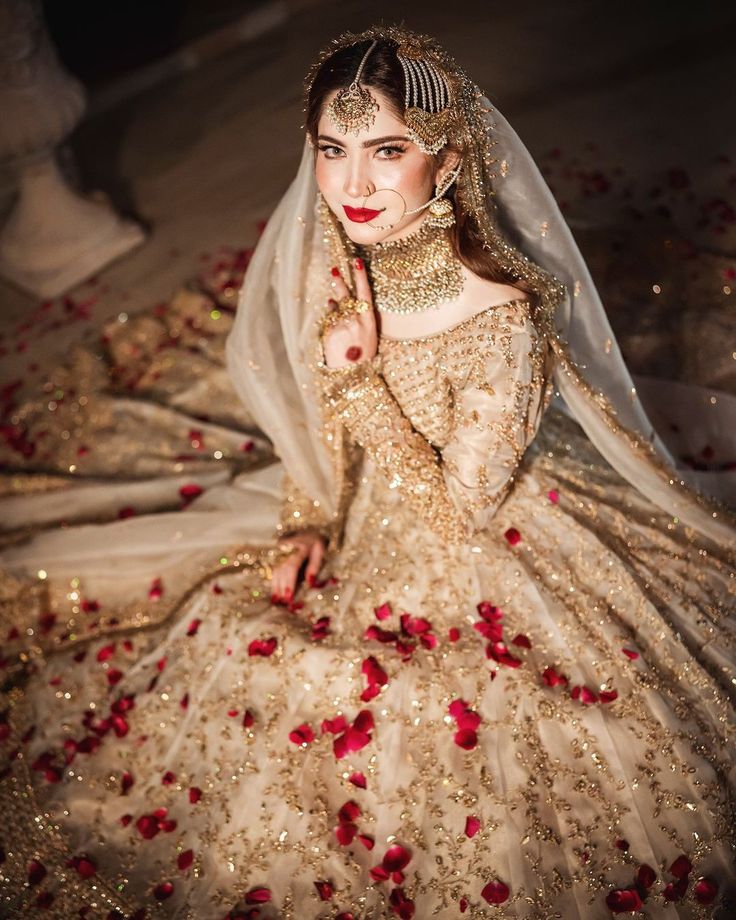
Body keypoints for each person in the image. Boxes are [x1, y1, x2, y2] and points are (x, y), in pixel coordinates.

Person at [1, 25, 735, 920]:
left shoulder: (502, 318)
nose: (352, 184)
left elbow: (456, 511)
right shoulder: (343, 258)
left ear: (450, 160)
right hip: (371, 505)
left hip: (483, 527)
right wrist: (306, 519)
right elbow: (320, 423)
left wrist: (359, 376)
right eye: (332, 150)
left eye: (388, 150)